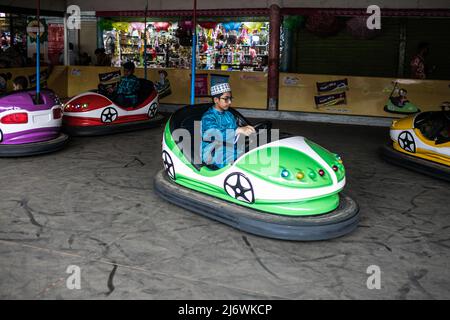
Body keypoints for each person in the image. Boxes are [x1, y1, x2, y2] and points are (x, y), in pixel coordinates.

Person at [201, 82, 255, 168]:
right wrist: (238, 130)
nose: (229, 102)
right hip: (213, 151)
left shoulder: (229, 114)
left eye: (230, 98)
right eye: (226, 99)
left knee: (253, 157)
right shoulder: (208, 117)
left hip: (230, 148)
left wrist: (247, 133)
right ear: (216, 100)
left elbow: (235, 133)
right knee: (240, 165)